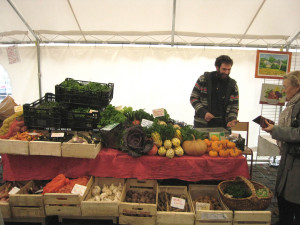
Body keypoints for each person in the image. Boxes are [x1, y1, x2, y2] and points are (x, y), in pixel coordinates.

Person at [263, 70, 300, 225]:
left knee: (294, 201)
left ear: (297, 87)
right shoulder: (293, 104)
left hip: (297, 162)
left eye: (285, 87)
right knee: (285, 199)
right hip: (289, 159)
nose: (283, 91)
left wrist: (275, 130)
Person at [190, 55, 239, 130]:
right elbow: (193, 98)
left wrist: (231, 119)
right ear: (217, 67)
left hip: (223, 127)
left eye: (229, 69)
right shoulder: (203, 79)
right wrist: (204, 113)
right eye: (224, 69)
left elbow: (234, 106)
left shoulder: (233, 85)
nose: (226, 72)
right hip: (202, 125)